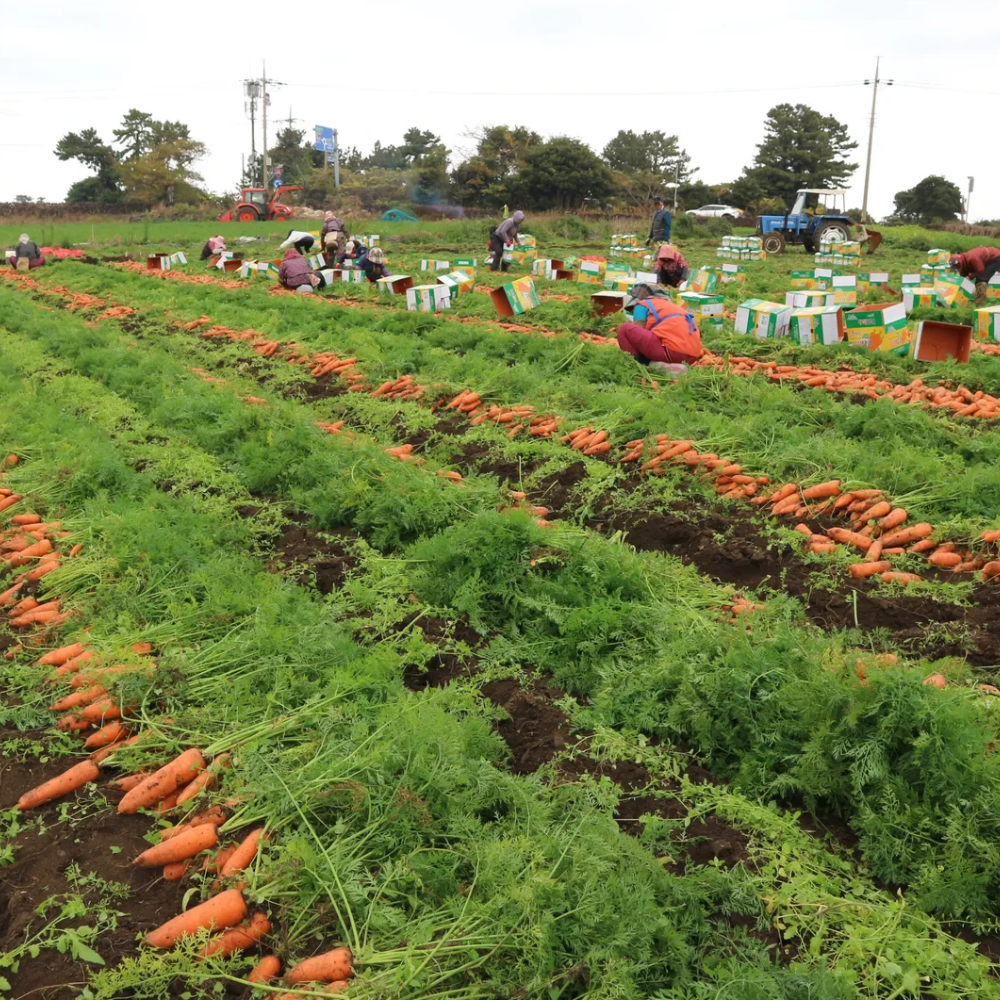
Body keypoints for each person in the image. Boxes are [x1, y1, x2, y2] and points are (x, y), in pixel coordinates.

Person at [616, 283, 702, 374]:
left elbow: (638, 333)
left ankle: (645, 365)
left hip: (670, 352)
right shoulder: (671, 306)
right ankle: (671, 366)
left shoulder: (642, 304)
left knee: (624, 328)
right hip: (692, 356)